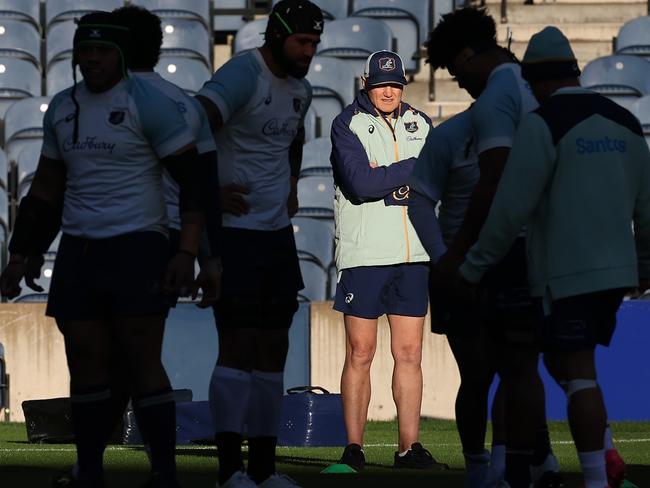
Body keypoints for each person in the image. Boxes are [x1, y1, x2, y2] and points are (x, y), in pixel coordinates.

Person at [0, 11, 205, 488]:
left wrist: (187, 252)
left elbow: (193, 181)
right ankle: (89, 470)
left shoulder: (149, 104)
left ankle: (164, 473)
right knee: (85, 361)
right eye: (84, 50)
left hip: (139, 247)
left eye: (102, 50)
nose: (91, 59)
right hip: (79, 251)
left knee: (141, 359)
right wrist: (22, 253)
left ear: (120, 56)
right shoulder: (62, 108)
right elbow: (48, 187)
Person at [457, 26, 650, 488]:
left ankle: (593, 479)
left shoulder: (542, 124)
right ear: (576, 72)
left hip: (566, 274)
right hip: (614, 273)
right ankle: (569, 464)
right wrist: (643, 265)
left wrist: (472, 267)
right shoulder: (625, 121)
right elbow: (646, 209)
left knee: (572, 374)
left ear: (532, 80)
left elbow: (509, 210)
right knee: (566, 368)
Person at [426, 7, 559, 487]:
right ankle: (526, 462)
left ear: (465, 55)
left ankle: (511, 467)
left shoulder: (495, 99)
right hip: (539, 246)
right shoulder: (534, 88)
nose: (458, 82)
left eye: (455, 71)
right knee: (520, 366)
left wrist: (461, 251)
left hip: (502, 253)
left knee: (506, 368)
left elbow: (494, 178)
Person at [195, 1, 323, 486]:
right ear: (276, 37)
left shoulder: (302, 90)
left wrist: (290, 182)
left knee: (274, 347)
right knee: (237, 345)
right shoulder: (241, 76)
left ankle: (265, 472)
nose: (309, 52)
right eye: (302, 42)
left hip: (274, 238)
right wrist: (207, 194)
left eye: (314, 44)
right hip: (235, 236)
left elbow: (290, 140)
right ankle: (231, 471)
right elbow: (192, 123)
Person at [330, 49, 446, 472]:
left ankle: (408, 449)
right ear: (367, 84)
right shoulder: (347, 124)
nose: (388, 91)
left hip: (414, 254)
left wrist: (391, 175)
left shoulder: (421, 122)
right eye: (381, 84)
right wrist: (411, 168)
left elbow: (437, 179)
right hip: (364, 255)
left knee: (410, 352)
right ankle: (354, 448)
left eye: (394, 84)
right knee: (360, 351)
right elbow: (360, 182)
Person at [407, 109, 507, 487]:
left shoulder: (526, 129)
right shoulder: (450, 136)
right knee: (478, 373)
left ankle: (499, 464)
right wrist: (442, 258)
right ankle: (479, 466)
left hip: (509, 266)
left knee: (511, 370)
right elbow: (418, 199)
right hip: (459, 272)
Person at [112, 4, 222, 306]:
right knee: (145, 341)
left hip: (106, 236)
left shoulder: (91, 102)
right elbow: (204, 186)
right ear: (157, 48)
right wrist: (208, 260)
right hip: (169, 239)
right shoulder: (187, 104)